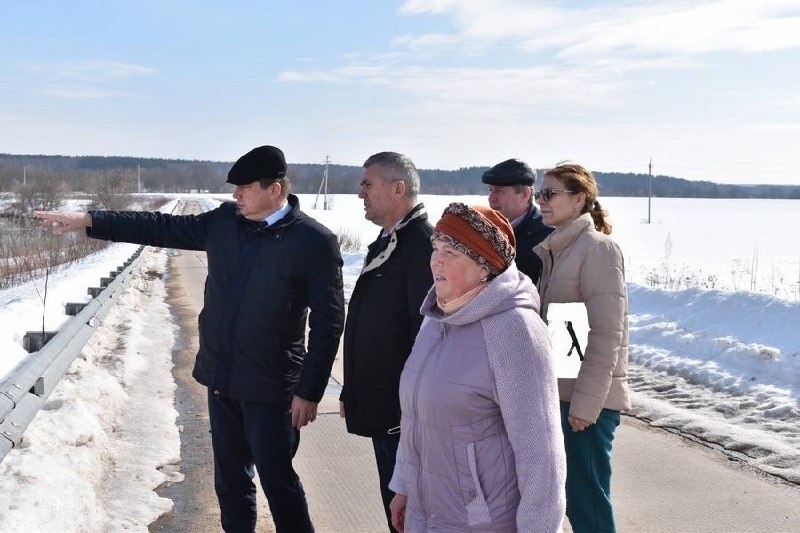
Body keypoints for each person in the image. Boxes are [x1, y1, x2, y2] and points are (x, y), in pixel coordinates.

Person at [35, 145, 345, 533]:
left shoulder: (313, 242)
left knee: (278, 483)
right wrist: (90, 220)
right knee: (230, 484)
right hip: (222, 379)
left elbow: (329, 323)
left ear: (275, 189)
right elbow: (160, 226)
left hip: (271, 389)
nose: (235, 195)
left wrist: (309, 390)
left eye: (244, 188)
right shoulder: (224, 223)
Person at [388, 203, 566, 532]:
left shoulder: (516, 330)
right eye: (436, 248)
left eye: (452, 252)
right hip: (427, 513)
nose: (436, 260)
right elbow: (416, 417)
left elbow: (542, 458)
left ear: (484, 265)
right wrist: (404, 486)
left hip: (481, 522)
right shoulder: (437, 316)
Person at [533, 162, 630, 533]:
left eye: (550, 193)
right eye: (540, 193)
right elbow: (566, 332)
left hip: (586, 404)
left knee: (587, 504)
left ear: (579, 199)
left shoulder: (597, 250)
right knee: (571, 499)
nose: (541, 201)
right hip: (563, 395)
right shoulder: (560, 250)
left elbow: (607, 333)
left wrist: (585, 406)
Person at [339, 152, 433, 531]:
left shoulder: (422, 246)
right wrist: (352, 389)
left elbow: (425, 337)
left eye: (368, 184)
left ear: (398, 188)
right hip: (385, 407)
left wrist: (410, 410)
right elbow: (377, 328)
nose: (360, 192)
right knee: (395, 510)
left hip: (404, 417)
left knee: (409, 515)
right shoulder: (389, 242)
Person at [482, 158, 553, 284]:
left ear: (525, 194)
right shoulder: (482, 230)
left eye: (499, 191)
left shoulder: (548, 237)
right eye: (490, 190)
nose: (491, 198)